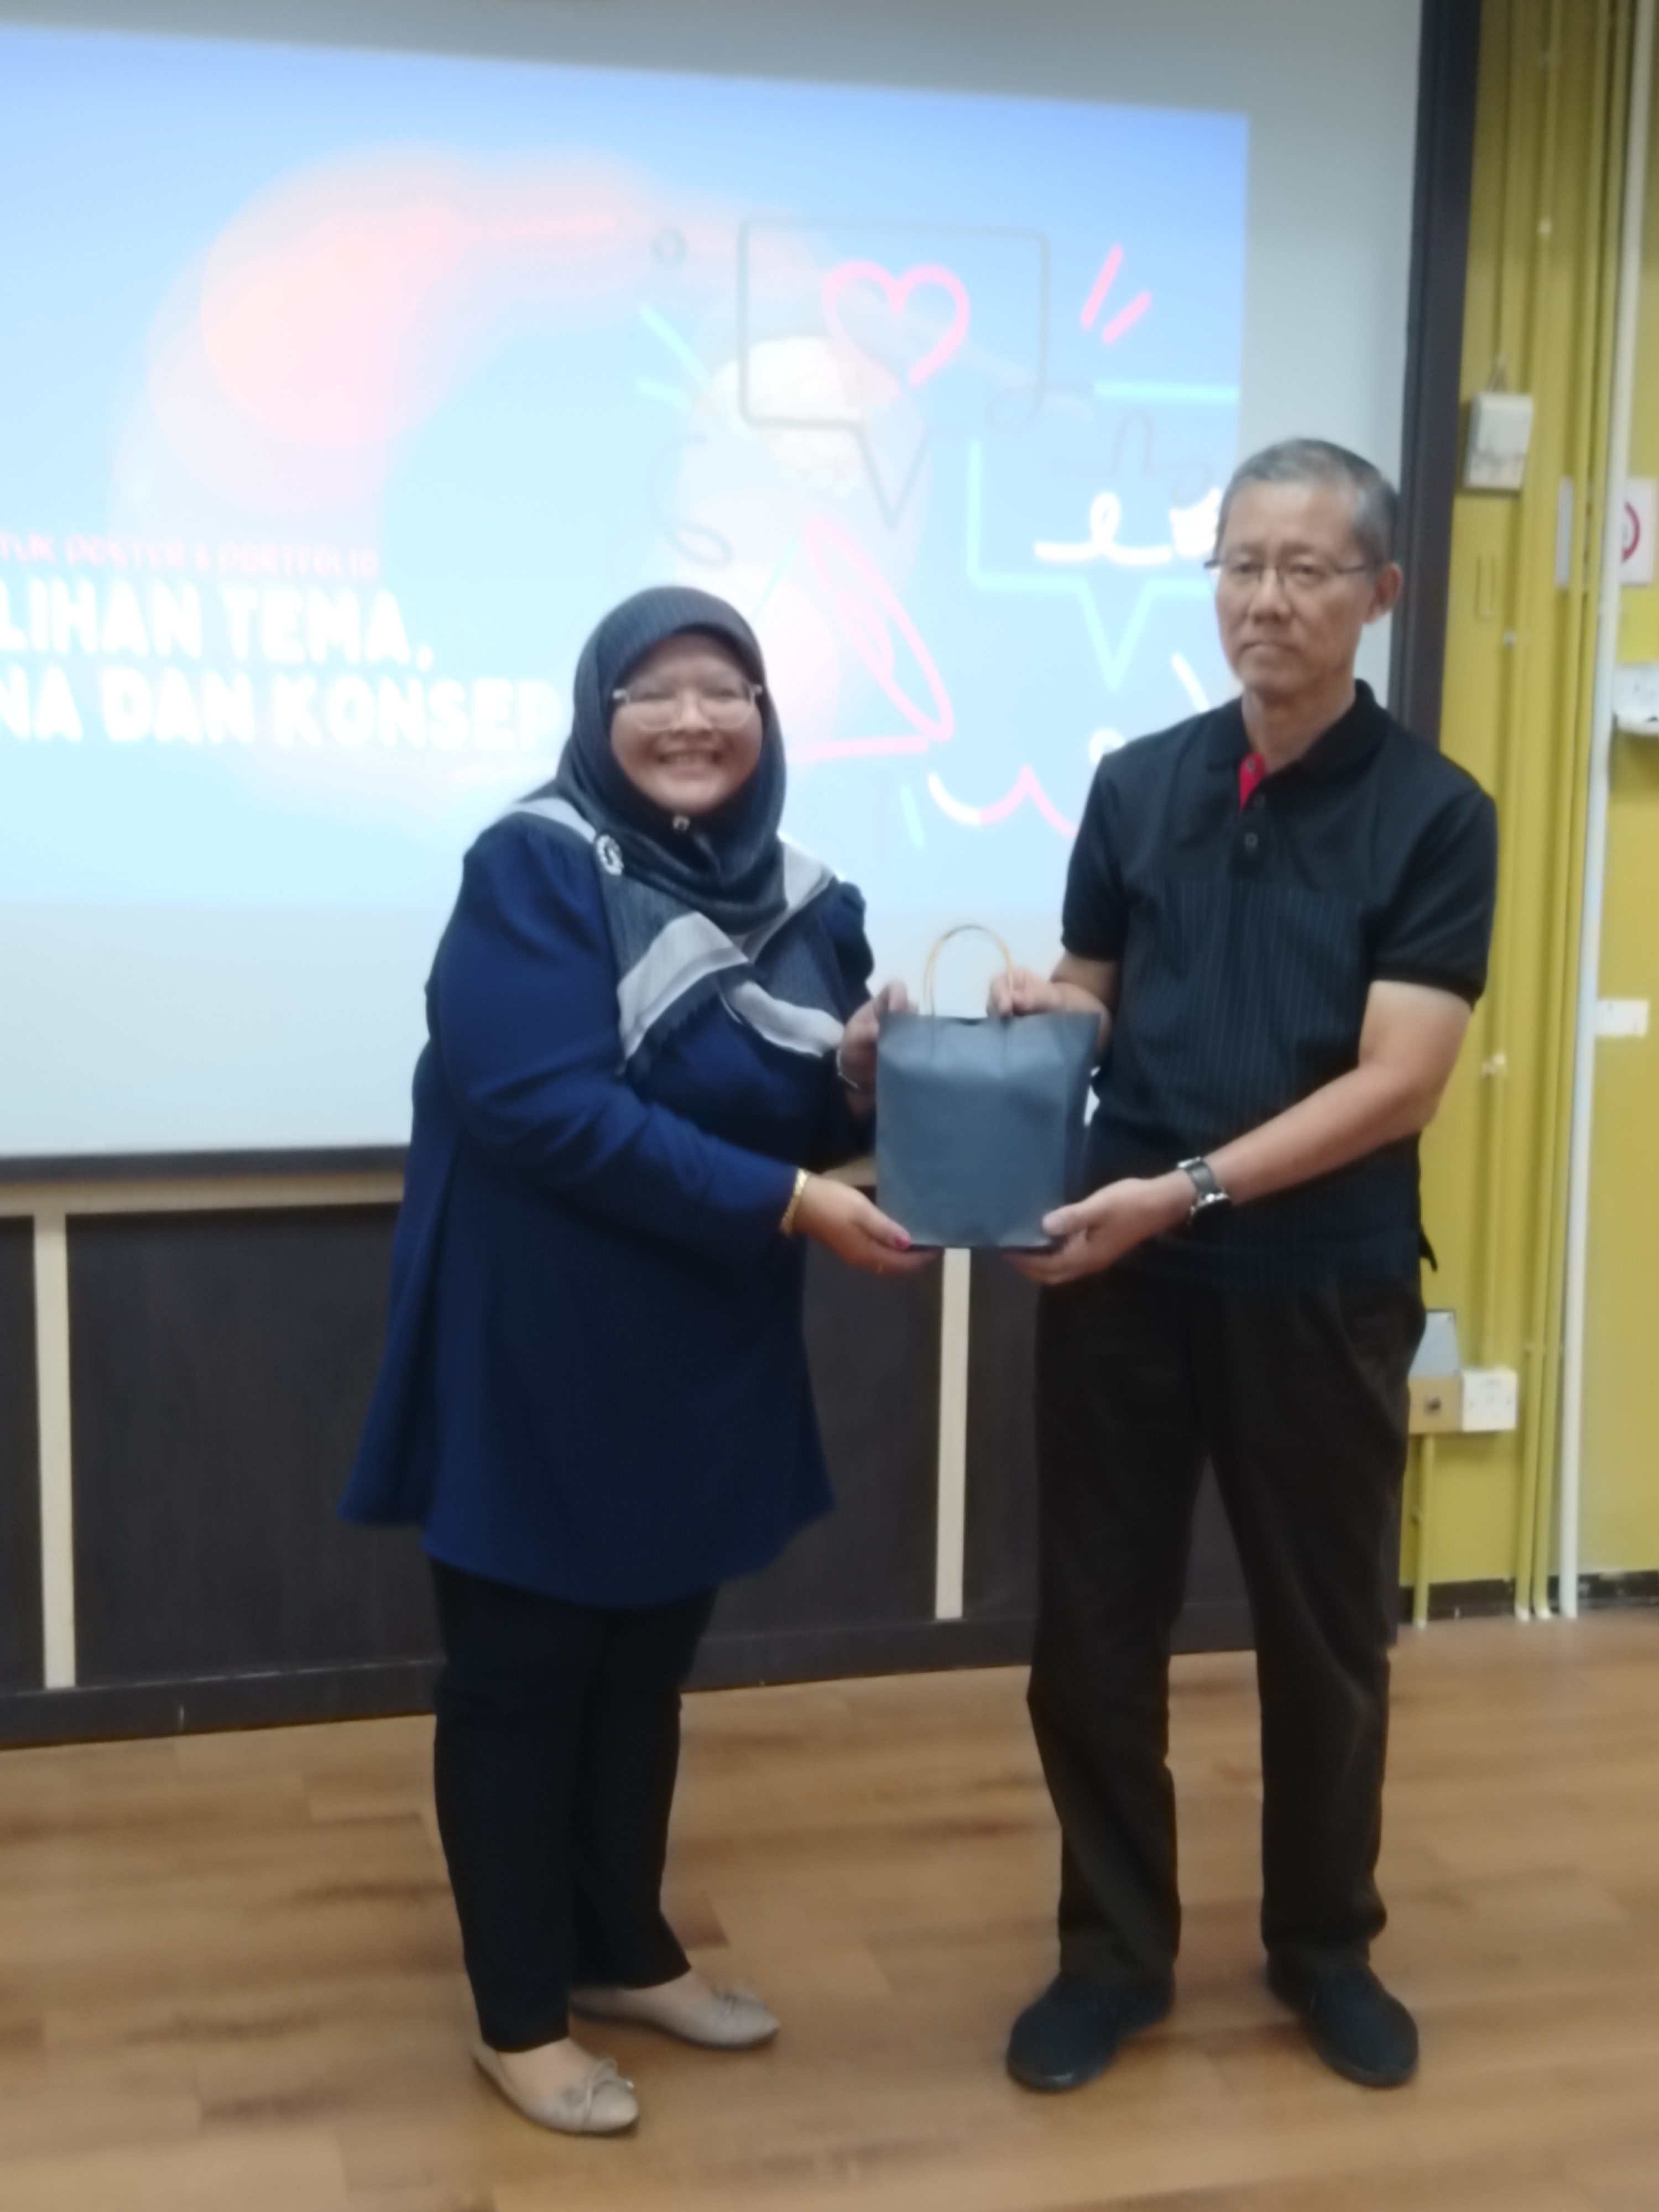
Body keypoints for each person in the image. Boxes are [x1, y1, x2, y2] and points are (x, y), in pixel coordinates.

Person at [342, 585, 925, 2137]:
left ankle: (618, 1948)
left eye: (724, 688)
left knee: (645, 1667)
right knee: (525, 1679)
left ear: (765, 717)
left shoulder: (810, 900)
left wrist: (866, 1084)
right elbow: (542, 1107)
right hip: (540, 1348)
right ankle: (518, 2015)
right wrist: (792, 1198)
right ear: (599, 715)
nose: (690, 719)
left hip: (699, 1344)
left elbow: (797, 1115)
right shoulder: (532, 867)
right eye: (652, 691)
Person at [992, 441, 1498, 2094]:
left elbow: (1398, 1082)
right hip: (1123, 1282)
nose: (1266, 600)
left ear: (1380, 593)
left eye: (1306, 569)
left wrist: (1189, 1189)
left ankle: (1324, 1948)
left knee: (1326, 1639)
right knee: (1092, 1633)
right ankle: (1111, 1957)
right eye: (1240, 565)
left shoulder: (1437, 816)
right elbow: (1098, 985)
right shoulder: (1140, 783)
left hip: (1321, 1283)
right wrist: (1046, 1014)